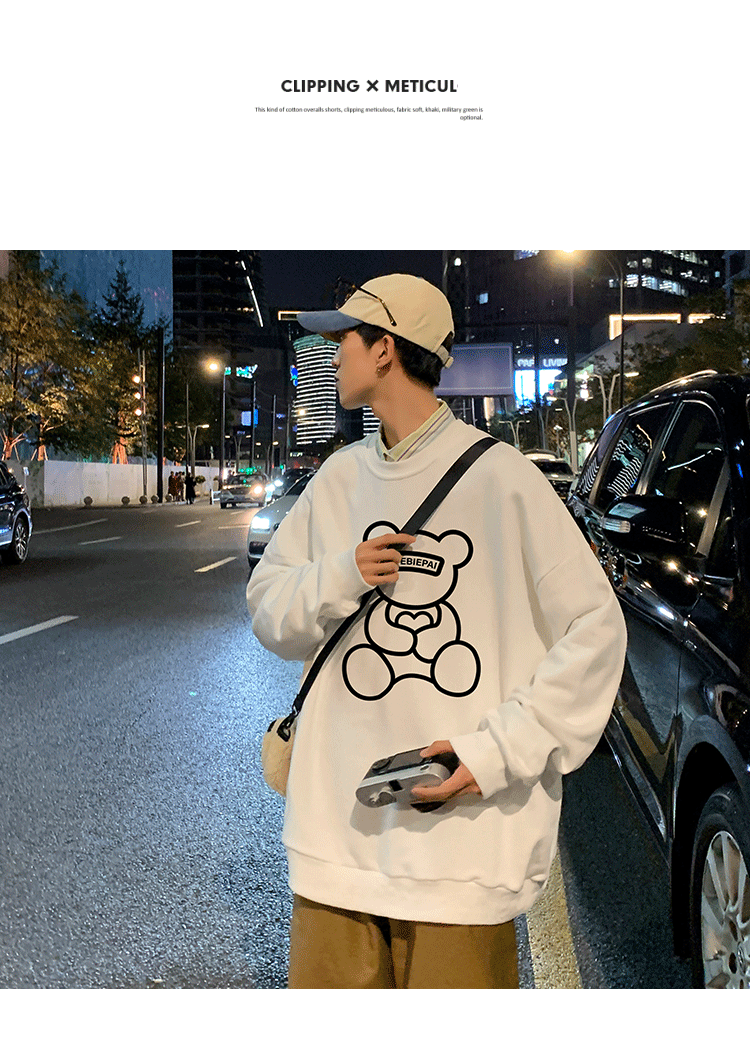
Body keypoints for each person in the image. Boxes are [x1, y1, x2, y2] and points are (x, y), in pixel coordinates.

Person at [246, 274, 627, 989]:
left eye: (345, 338)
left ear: (384, 349)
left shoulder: (504, 479)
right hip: (335, 849)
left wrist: (496, 751)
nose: (332, 352)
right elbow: (268, 607)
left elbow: (595, 628)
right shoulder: (338, 480)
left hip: (462, 860)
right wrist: (343, 572)